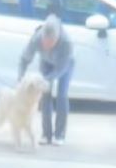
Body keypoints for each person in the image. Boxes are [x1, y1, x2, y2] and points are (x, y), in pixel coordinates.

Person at [18, 14, 75, 146]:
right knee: (45, 95)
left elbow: (60, 70)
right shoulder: (37, 38)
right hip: (46, 62)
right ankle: (46, 134)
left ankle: (59, 134)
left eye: (51, 43)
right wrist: (20, 78)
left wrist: (42, 81)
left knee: (62, 95)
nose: (47, 45)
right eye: (45, 43)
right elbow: (24, 59)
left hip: (64, 65)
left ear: (57, 39)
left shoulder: (66, 43)